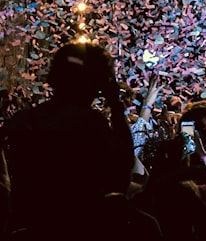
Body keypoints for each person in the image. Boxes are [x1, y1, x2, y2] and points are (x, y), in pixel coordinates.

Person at [0, 42, 137, 239]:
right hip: (81, 226)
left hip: (32, 227)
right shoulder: (90, 124)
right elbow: (121, 175)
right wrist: (115, 105)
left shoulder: (23, 121)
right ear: (97, 82)